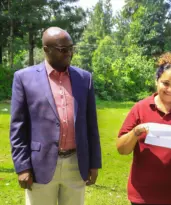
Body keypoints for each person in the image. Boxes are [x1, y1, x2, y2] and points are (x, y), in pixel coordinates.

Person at [9, 27, 101, 205]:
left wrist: (94, 163)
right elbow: (18, 128)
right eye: (62, 49)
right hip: (39, 165)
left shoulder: (84, 78)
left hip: (76, 164)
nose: (69, 53)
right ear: (46, 49)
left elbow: (91, 125)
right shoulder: (24, 78)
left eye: (71, 48)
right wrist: (22, 167)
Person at [117, 52, 171, 205]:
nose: (170, 89)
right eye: (165, 83)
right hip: (144, 195)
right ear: (156, 81)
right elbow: (122, 149)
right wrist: (135, 132)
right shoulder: (140, 108)